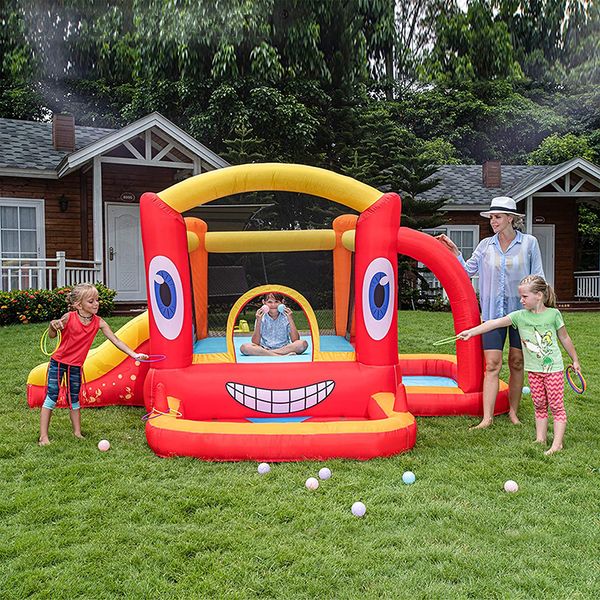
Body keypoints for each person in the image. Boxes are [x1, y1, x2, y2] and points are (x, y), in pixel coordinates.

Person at [437, 196, 545, 429]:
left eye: (497, 217)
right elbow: (466, 272)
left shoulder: (529, 243)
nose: (493, 221)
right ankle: (487, 418)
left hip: (522, 316)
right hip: (492, 316)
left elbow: (539, 279)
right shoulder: (485, 245)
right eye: (491, 217)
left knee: (517, 363)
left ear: (510, 218)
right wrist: (455, 250)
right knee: (492, 365)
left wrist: (538, 310)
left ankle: (513, 413)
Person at [457, 275, 580, 455]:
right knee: (539, 404)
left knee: (556, 406)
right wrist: (472, 332)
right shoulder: (519, 317)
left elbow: (564, 337)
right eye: (520, 297)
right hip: (534, 370)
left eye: (524, 297)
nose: (520, 300)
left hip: (552, 369)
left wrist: (575, 359)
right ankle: (541, 438)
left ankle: (557, 444)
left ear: (539, 295)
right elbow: (494, 323)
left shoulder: (554, 314)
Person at [39, 283, 147, 446]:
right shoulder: (69, 317)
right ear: (78, 304)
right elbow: (53, 335)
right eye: (91, 301)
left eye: (97, 300)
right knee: (52, 397)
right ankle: (43, 437)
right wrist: (52, 326)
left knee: (74, 398)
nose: (96, 304)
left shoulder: (99, 322)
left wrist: (134, 354)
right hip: (59, 363)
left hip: (76, 366)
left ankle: (77, 432)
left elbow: (116, 340)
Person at [240, 292, 308, 356]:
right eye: (269, 302)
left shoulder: (286, 316)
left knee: (302, 344)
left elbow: (295, 340)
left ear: (282, 302)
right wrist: (258, 321)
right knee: (244, 347)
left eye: (276, 302)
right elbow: (255, 342)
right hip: (265, 348)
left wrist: (290, 319)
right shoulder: (260, 317)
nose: (273, 305)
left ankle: (269, 354)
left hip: (284, 348)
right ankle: (278, 355)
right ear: (264, 302)